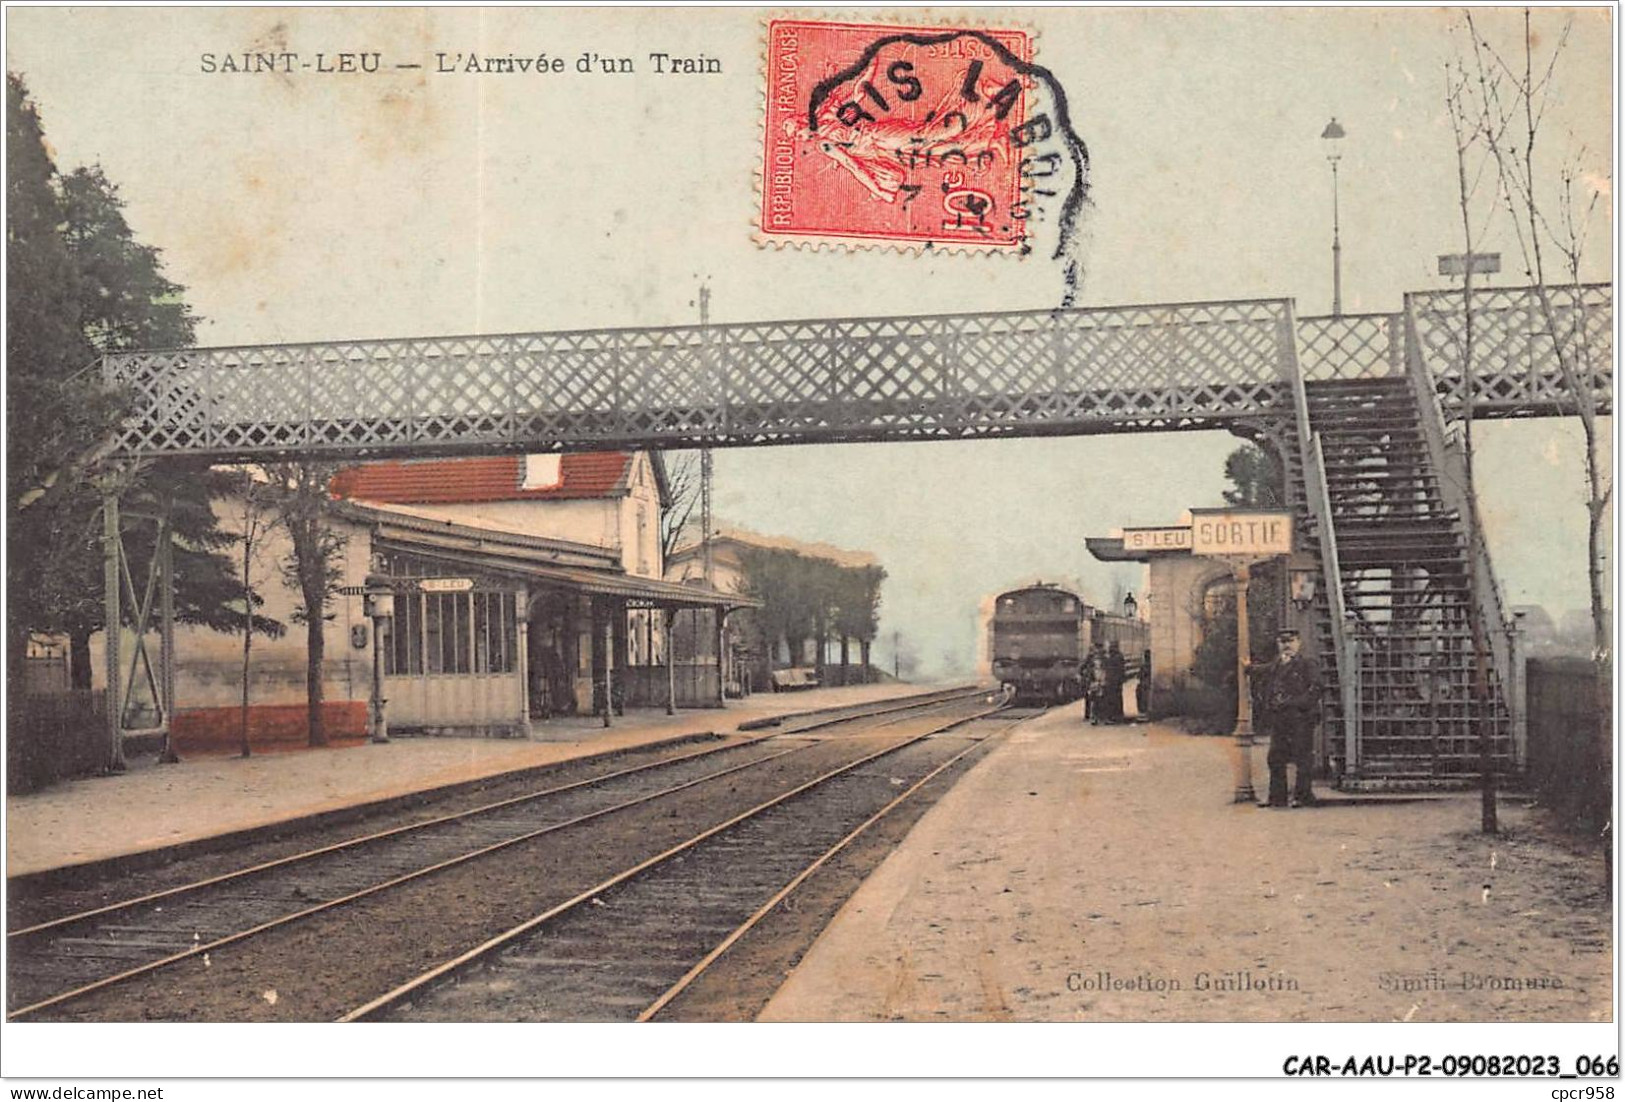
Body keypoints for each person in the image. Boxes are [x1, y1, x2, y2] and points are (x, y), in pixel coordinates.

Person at [1250, 628, 1322, 808]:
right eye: (1283, 642)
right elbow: (1263, 670)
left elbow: (1317, 687)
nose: (1287, 645)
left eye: (1290, 641)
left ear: (1298, 643)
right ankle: (1277, 798)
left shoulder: (1307, 664)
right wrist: (1248, 668)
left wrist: (1297, 703)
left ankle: (1302, 796)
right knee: (1275, 757)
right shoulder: (1277, 664)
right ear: (1278, 644)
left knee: (1302, 757)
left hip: (1301, 718)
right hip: (1280, 718)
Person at [1102, 641, 1127, 724]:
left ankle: (1112, 716)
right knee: (1117, 698)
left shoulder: (1114, 657)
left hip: (1112, 681)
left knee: (1111, 699)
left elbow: (1107, 667)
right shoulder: (1119, 656)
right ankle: (1118, 715)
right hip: (1117, 681)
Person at [1082, 642, 1105, 724]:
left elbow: (1083, 666)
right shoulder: (1100, 657)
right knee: (1094, 699)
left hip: (1095, 680)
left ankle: (1091, 715)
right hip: (1093, 681)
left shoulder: (1092, 657)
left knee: (1092, 699)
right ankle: (1094, 716)